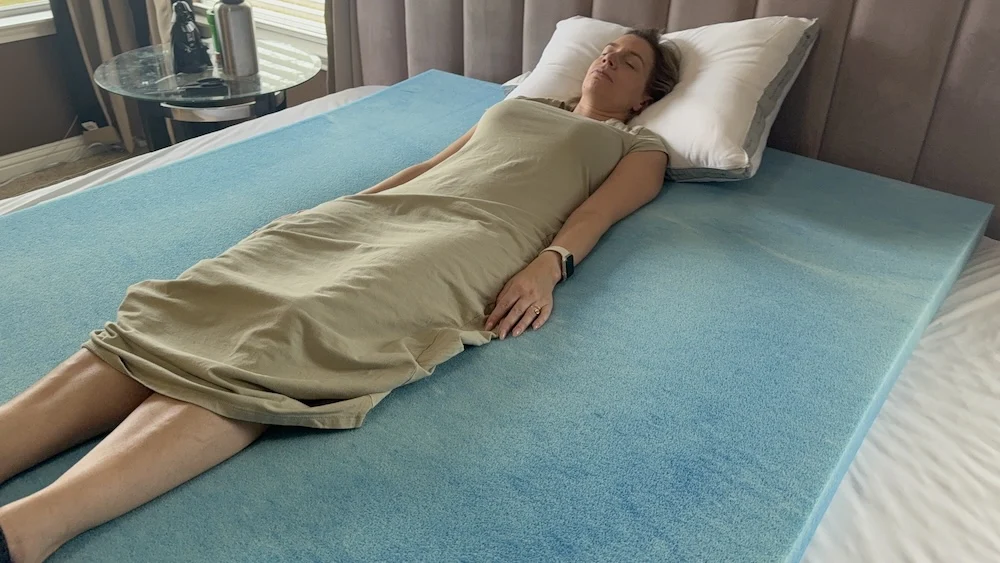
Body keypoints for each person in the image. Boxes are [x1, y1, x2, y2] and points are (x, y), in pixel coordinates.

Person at [0, 29, 681, 563]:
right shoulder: (519, 105)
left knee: (297, 328)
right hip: (390, 211)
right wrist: (347, 208)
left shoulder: (636, 144)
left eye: (627, 63)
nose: (607, 63)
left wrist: (549, 266)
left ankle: (31, 526)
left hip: (472, 241)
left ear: (645, 95)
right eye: (607, 52)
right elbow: (435, 166)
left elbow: (596, 218)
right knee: (208, 294)